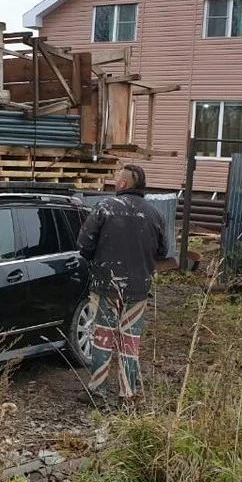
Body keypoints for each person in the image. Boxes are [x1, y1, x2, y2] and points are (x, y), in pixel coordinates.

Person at [77, 164, 168, 409]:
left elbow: (84, 243)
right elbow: (163, 251)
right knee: (130, 341)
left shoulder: (105, 207)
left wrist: (97, 259)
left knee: (103, 337)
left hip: (106, 285)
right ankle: (127, 395)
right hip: (138, 289)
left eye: (118, 177)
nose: (116, 180)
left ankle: (97, 391)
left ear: (124, 184)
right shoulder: (156, 214)